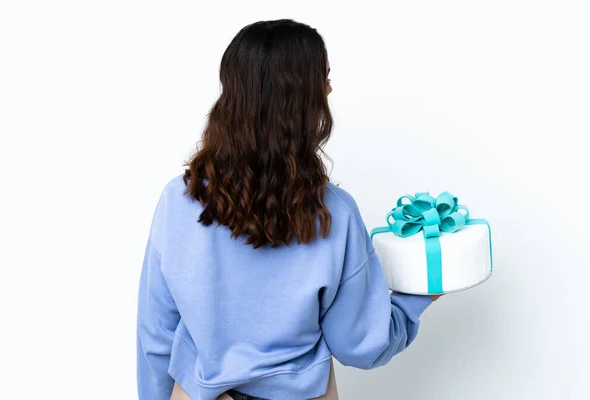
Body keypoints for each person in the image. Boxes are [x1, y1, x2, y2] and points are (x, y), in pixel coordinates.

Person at [137, 19, 439, 400]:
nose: (330, 88)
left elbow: (157, 333)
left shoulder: (179, 201)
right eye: (324, 78)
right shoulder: (335, 214)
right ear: (302, 99)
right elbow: (359, 344)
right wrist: (421, 295)